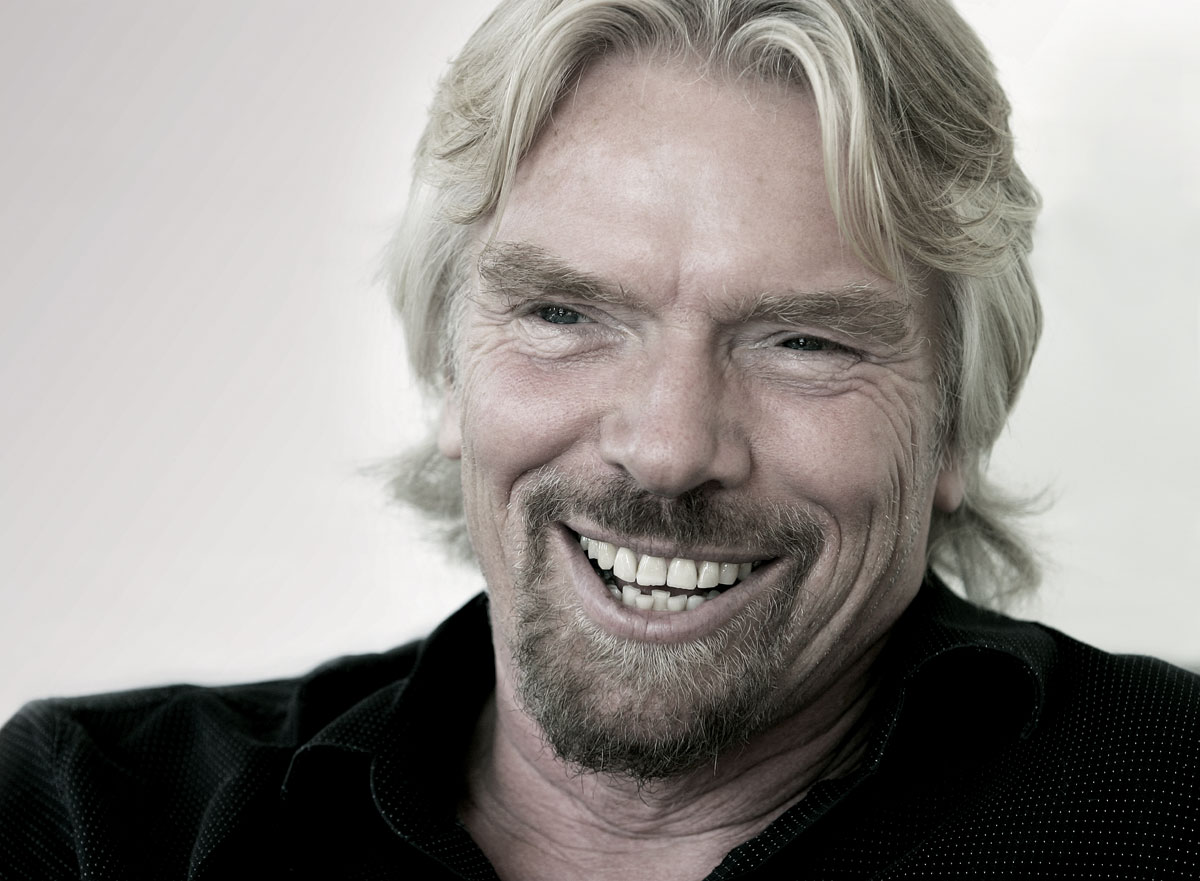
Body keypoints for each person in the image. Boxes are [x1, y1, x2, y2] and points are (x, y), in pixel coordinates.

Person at [1, 1, 1196, 878]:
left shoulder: (1170, 810)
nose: (668, 448)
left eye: (803, 341)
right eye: (566, 315)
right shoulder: (99, 823)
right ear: (450, 365)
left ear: (955, 422)